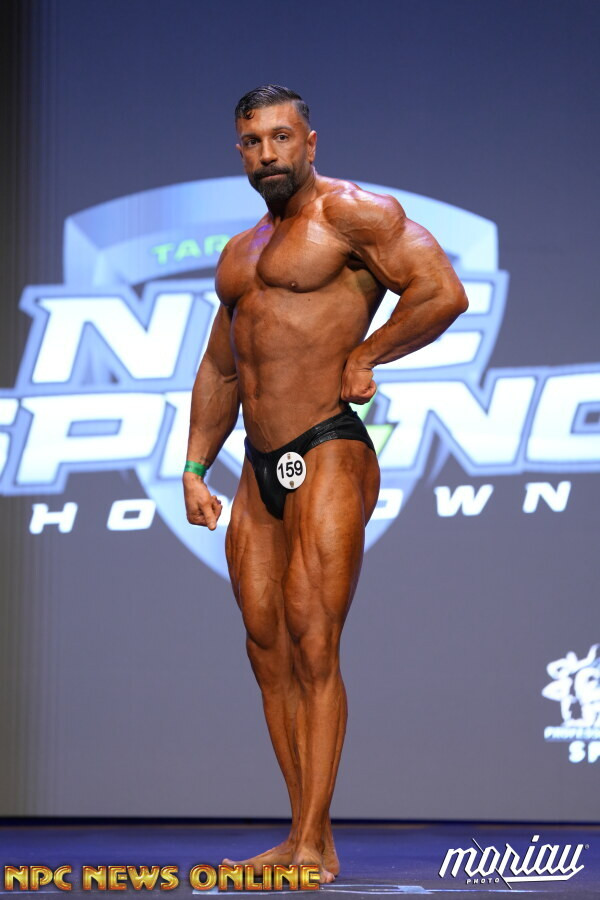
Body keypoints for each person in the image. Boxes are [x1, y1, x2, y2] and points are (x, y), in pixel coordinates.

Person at [183, 84, 468, 882]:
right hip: (258, 464)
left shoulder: (354, 214)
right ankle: (305, 836)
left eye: (281, 137)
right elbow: (221, 368)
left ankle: (312, 843)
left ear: (310, 142)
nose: (267, 153)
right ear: (240, 152)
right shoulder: (239, 254)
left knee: (314, 637)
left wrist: (369, 353)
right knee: (266, 646)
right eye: (252, 142)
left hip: (330, 444)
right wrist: (195, 466)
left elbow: (442, 291)